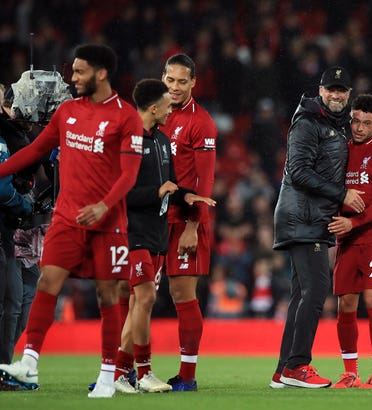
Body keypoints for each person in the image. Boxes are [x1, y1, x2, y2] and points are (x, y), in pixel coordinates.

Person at [0, 44, 143, 398]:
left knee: (107, 293)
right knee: (49, 280)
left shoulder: (127, 117)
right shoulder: (66, 112)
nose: (72, 78)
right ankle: (29, 363)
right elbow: (33, 152)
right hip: (67, 216)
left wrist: (104, 205)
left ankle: (108, 374)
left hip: (107, 221)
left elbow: (129, 175)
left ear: (101, 73)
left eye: (79, 72)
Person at [111, 79, 216, 394]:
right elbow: (119, 193)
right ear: (153, 107)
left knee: (137, 302)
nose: (172, 108)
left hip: (155, 232)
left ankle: (118, 373)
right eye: (167, 104)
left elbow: (171, 184)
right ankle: (141, 372)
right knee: (144, 298)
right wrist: (158, 192)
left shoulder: (160, 140)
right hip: (133, 232)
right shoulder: (126, 141)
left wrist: (189, 197)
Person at [269, 66, 365, 389]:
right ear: (320, 91)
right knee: (316, 288)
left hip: (309, 218)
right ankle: (298, 365)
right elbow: (297, 171)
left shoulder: (333, 125)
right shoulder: (309, 123)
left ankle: (283, 368)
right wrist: (342, 195)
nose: (336, 95)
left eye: (342, 90)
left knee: (301, 293)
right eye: (331, 89)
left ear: (348, 95)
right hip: (303, 219)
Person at [328, 94, 372, 389]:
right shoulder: (341, 152)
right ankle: (350, 372)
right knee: (345, 303)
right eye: (355, 121)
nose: (358, 128)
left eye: (366, 123)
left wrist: (353, 222)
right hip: (347, 236)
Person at [158, 54, 217, 392]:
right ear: (162, 78)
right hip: (151, 219)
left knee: (181, 293)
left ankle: (188, 375)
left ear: (194, 82)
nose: (175, 87)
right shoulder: (154, 116)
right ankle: (130, 370)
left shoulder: (202, 123)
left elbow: (204, 182)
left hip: (184, 220)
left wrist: (194, 225)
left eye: (182, 81)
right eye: (171, 80)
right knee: (138, 294)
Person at [0, 83, 34, 365]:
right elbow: (3, 187)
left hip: (13, 231)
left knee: (17, 302)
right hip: (9, 225)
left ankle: (4, 367)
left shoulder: (16, 136)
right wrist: (25, 206)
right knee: (10, 303)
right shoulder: (6, 137)